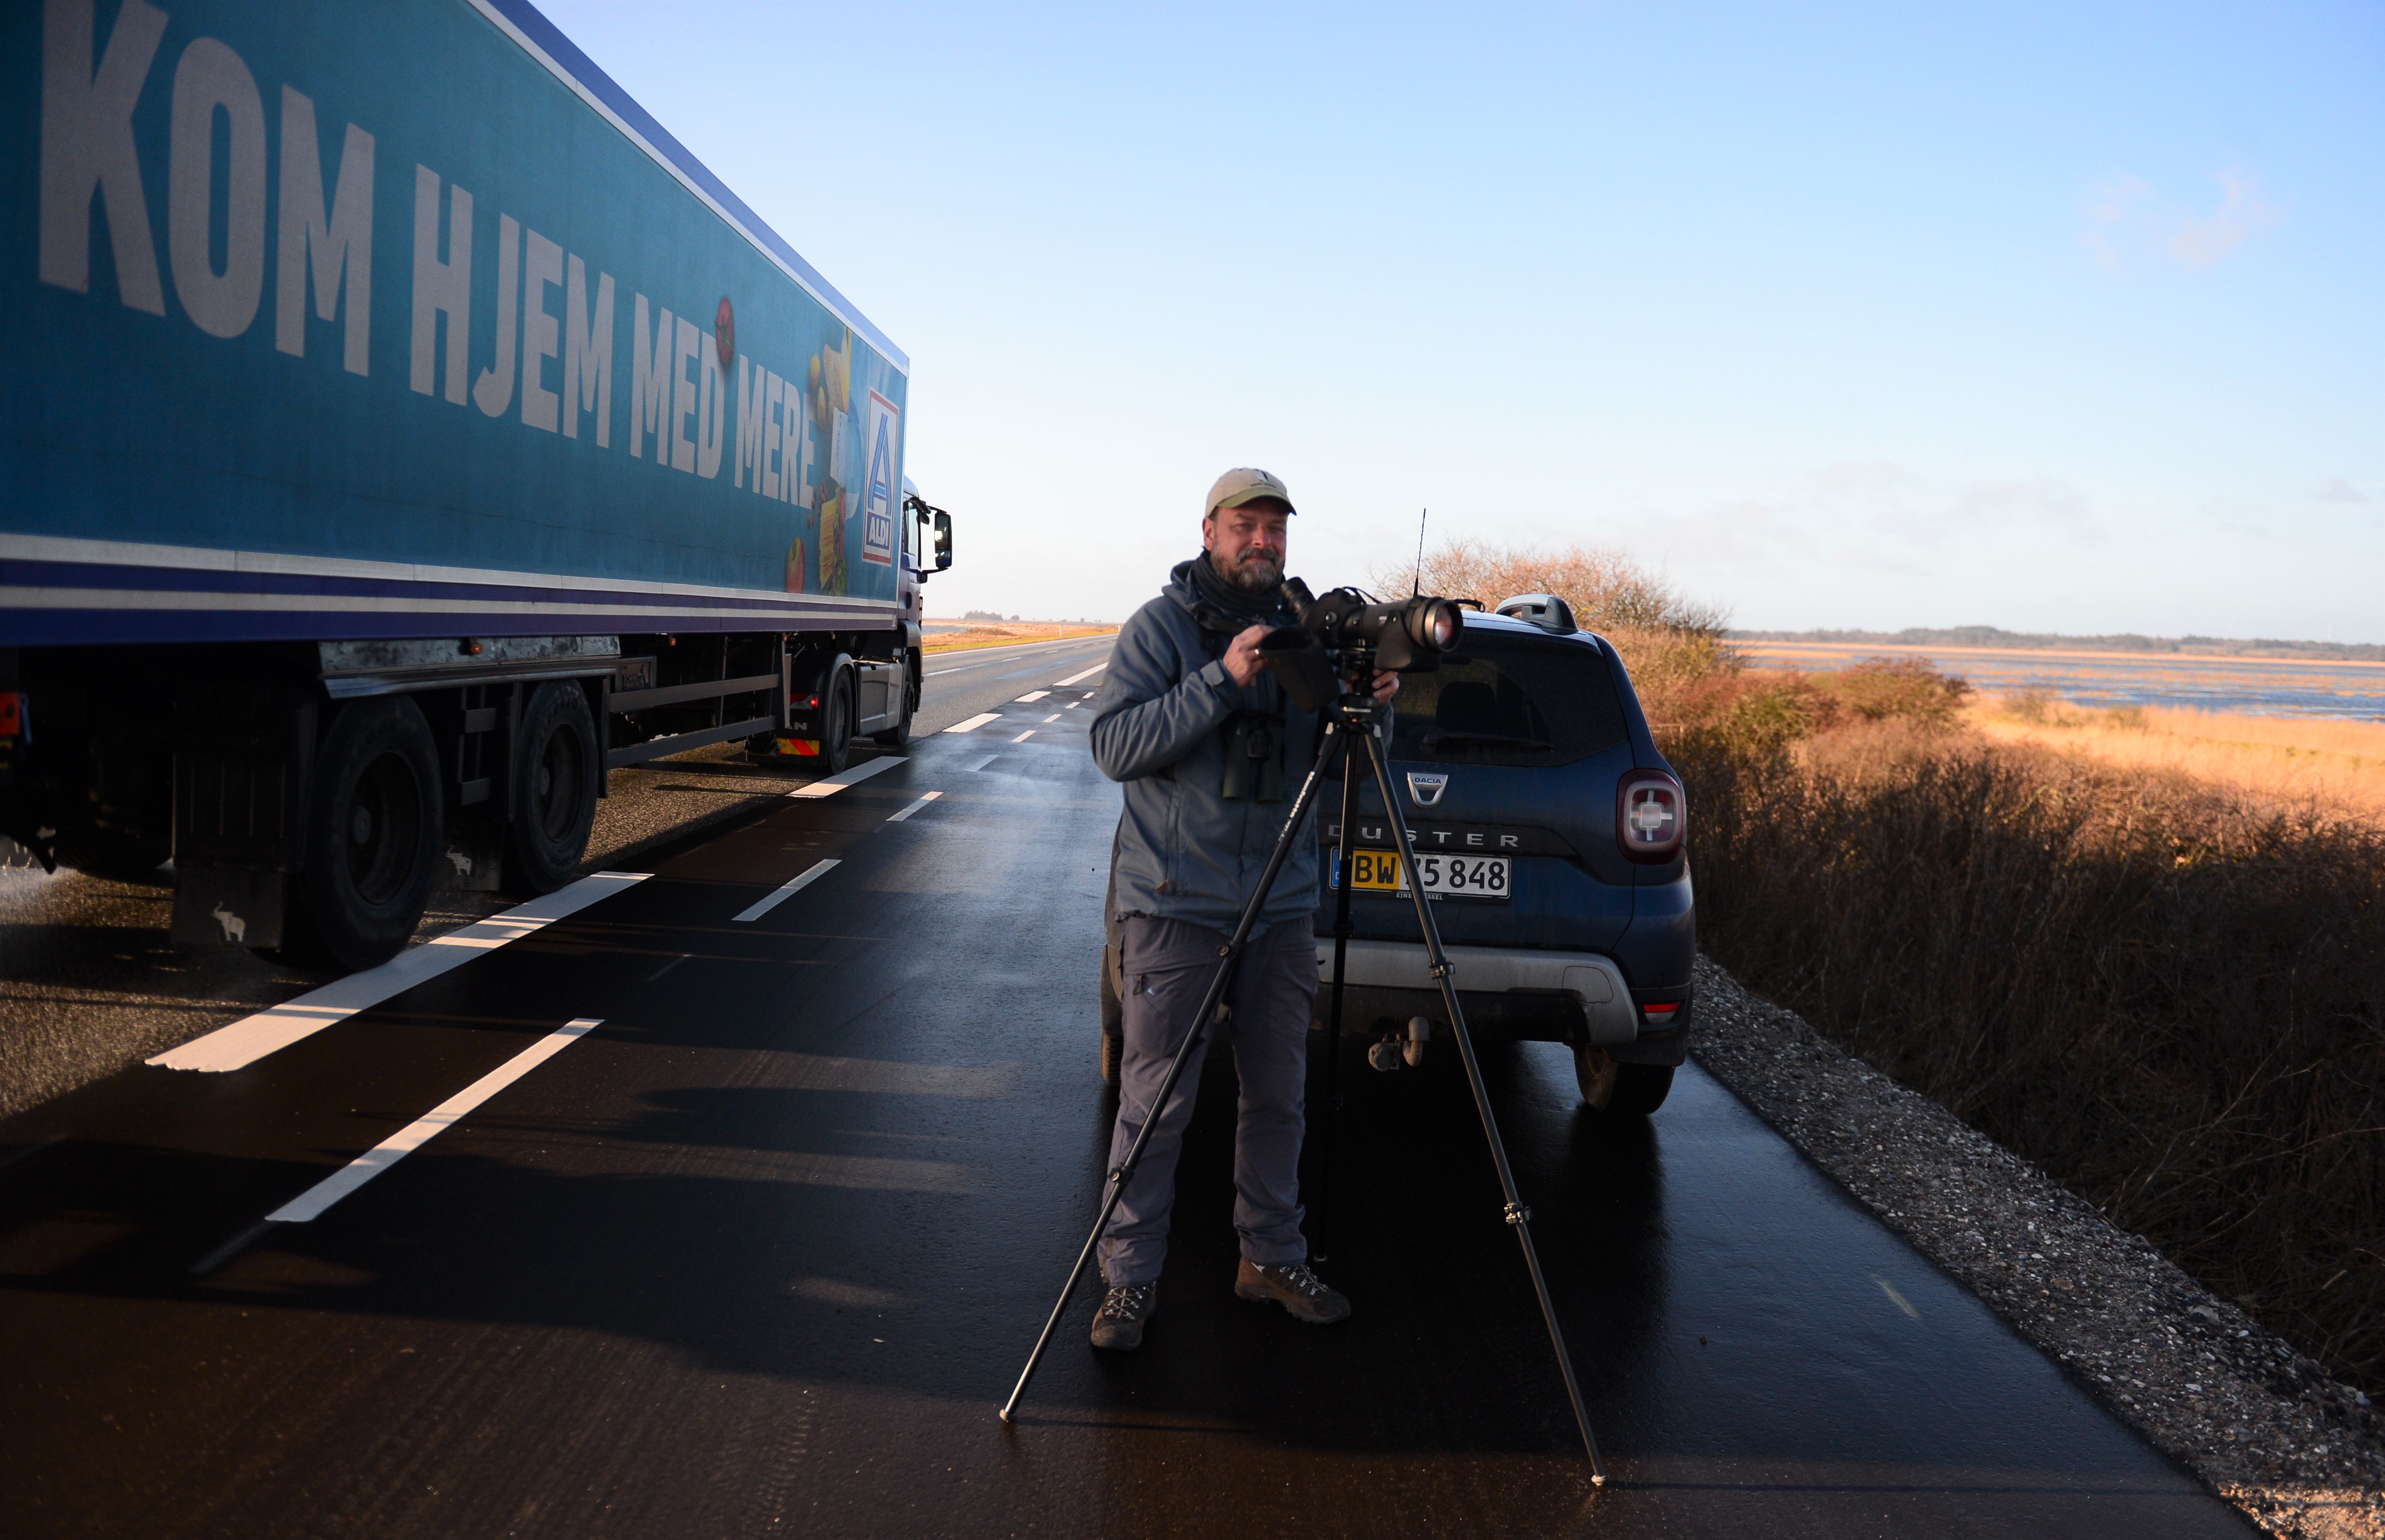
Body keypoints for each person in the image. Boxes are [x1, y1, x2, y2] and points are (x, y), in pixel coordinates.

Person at [1083, 467, 1396, 1351]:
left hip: (1280, 907)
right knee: (1155, 1104)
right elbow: (1114, 746)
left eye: (1275, 529)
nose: (1263, 541)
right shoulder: (1162, 629)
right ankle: (1129, 1281)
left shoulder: (1306, 639)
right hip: (1175, 905)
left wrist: (1373, 717)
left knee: (1278, 1097)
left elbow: (1344, 776)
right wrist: (1219, 679)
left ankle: (1270, 1257)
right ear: (1210, 531)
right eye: (1246, 525)